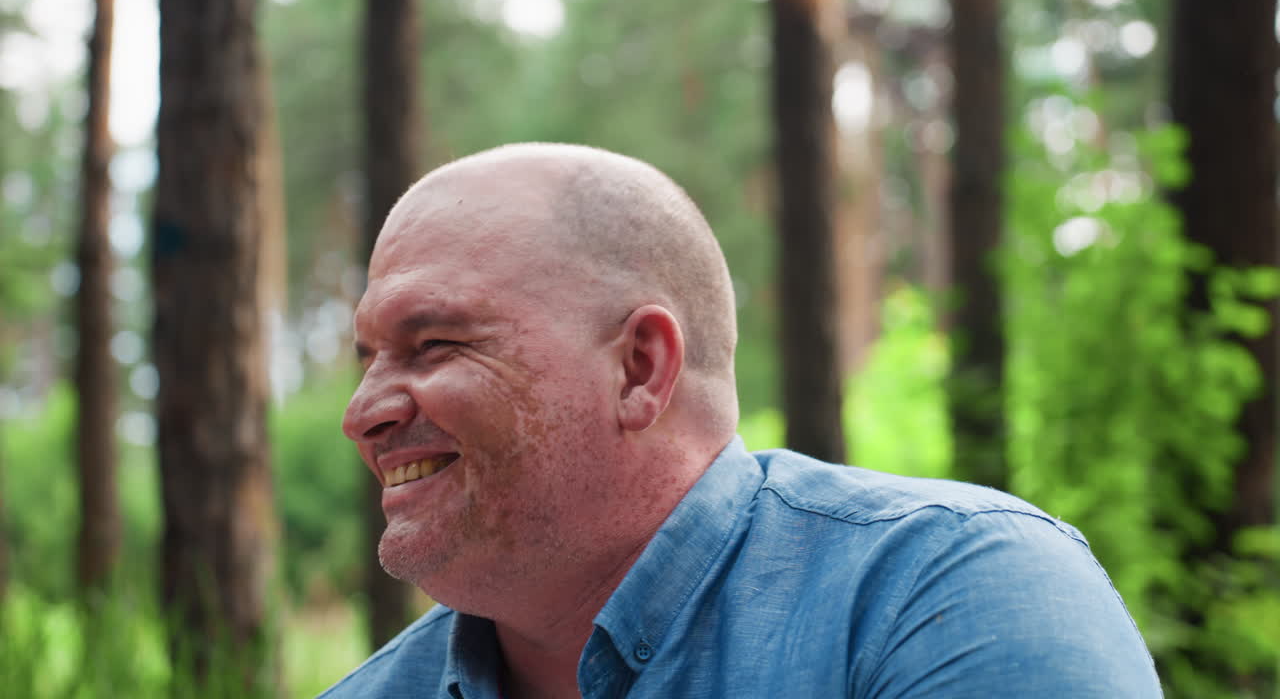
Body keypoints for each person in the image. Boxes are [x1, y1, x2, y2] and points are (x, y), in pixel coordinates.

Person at [324, 143, 1162, 699]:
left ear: (639, 369)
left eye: (432, 344)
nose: (364, 415)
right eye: (368, 358)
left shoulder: (948, 593)